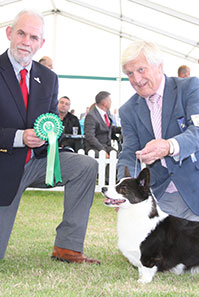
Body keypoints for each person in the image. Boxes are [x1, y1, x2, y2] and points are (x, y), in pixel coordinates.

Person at [0, 9, 100, 264]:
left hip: (38, 160)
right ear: (10, 33)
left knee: (86, 166)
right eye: (21, 33)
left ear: (40, 43)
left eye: (34, 37)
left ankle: (68, 247)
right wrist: (19, 137)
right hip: (3, 163)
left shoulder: (49, 78)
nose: (26, 41)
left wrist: (47, 137)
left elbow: (50, 123)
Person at [117, 40, 199, 222]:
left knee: (191, 249)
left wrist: (168, 146)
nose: (135, 79)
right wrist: (124, 190)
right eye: (129, 73)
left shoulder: (189, 87)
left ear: (159, 66)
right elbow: (129, 153)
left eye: (141, 70)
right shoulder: (127, 110)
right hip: (162, 194)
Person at [84, 91, 121, 157]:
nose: (111, 102)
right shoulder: (91, 116)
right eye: (110, 100)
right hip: (94, 148)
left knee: (120, 156)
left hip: (106, 146)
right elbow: (90, 136)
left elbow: (109, 128)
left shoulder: (107, 113)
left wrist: (121, 129)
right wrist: (102, 150)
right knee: (105, 157)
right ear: (104, 103)